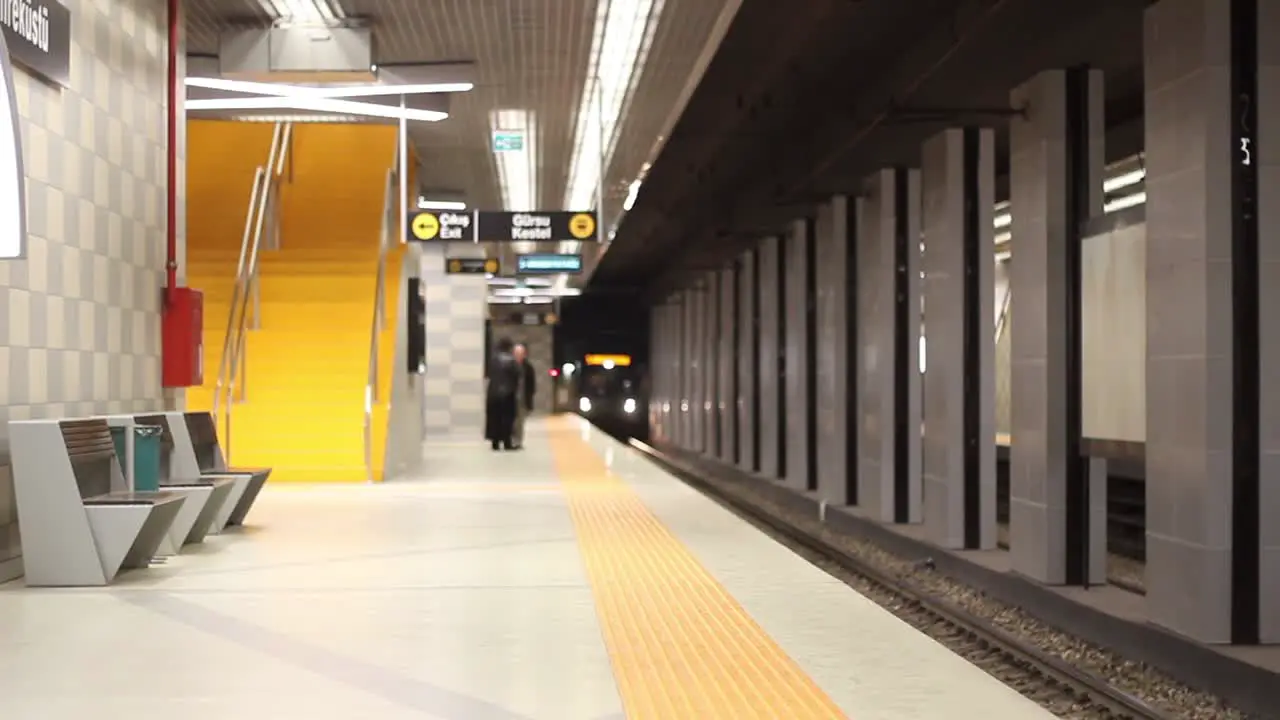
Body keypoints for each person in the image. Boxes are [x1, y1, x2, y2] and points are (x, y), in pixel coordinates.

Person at [485, 337, 520, 451]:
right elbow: (517, 375)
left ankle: (495, 442)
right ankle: (507, 442)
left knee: (495, 418)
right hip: (508, 394)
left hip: (493, 393)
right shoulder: (512, 360)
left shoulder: (493, 360)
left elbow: (489, 374)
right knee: (507, 419)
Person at [511, 343, 536, 449]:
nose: (518, 355)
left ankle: (518, 441)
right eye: (516, 353)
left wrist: (529, 399)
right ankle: (510, 440)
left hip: (523, 399)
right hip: (510, 398)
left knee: (520, 421)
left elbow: (532, 385)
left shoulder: (528, 367)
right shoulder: (510, 365)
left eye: (520, 353)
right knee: (511, 420)